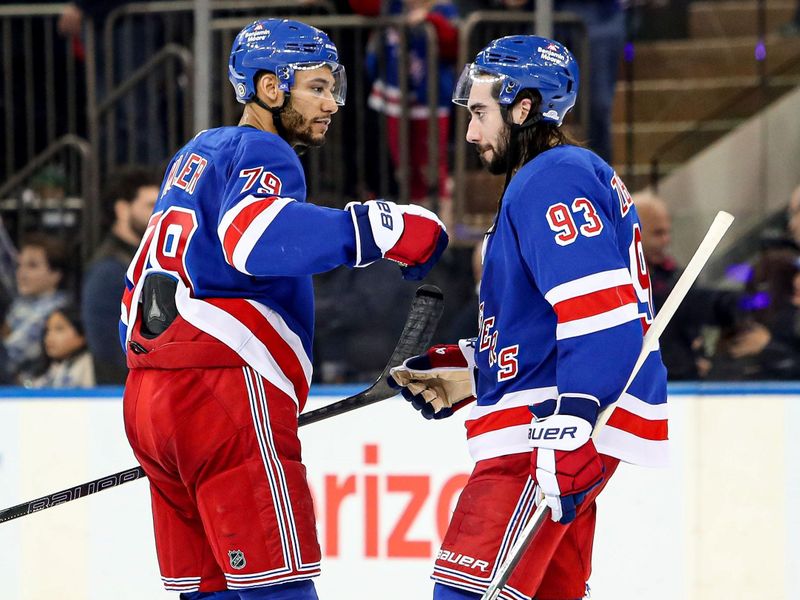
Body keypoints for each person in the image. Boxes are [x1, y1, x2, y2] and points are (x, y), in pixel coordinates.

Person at [121, 18, 447, 600]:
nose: (331, 104)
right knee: (277, 587)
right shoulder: (263, 149)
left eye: (333, 88)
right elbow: (254, 238)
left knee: (208, 590)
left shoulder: (197, 154)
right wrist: (387, 227)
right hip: (223, 394)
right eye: (317, 88)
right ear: (271, 88)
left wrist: (175, 416)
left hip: (150, 395)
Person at [390, 36, 668, 600]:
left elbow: (602, 311)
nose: (470, 133)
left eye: (479, 112)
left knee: (464, 593)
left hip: (540, 432)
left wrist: (575, 417)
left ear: (524, 107)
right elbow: (548, 324)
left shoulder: (552, 176)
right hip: (553, 421)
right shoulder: (552, 178)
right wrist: (471, 370)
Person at [81, 165, 160, 384]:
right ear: (122, 209)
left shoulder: (140, 260)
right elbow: (108, 348)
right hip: (120, 390)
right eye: (151, 205)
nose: (160, 213)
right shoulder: (108, 270)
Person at [1, 234, 69, 383]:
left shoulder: (57, 309)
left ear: (56, 274)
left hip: (35, 395)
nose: (21, 273)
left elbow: (11, 356)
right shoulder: (21, 303)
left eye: (32, 265)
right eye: (20, 265)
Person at [26, 305, 95, 388]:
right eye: (47, 330)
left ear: (82, 335)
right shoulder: (47, 368)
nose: (49, 337)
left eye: (59, 329)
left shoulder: (88, 364)